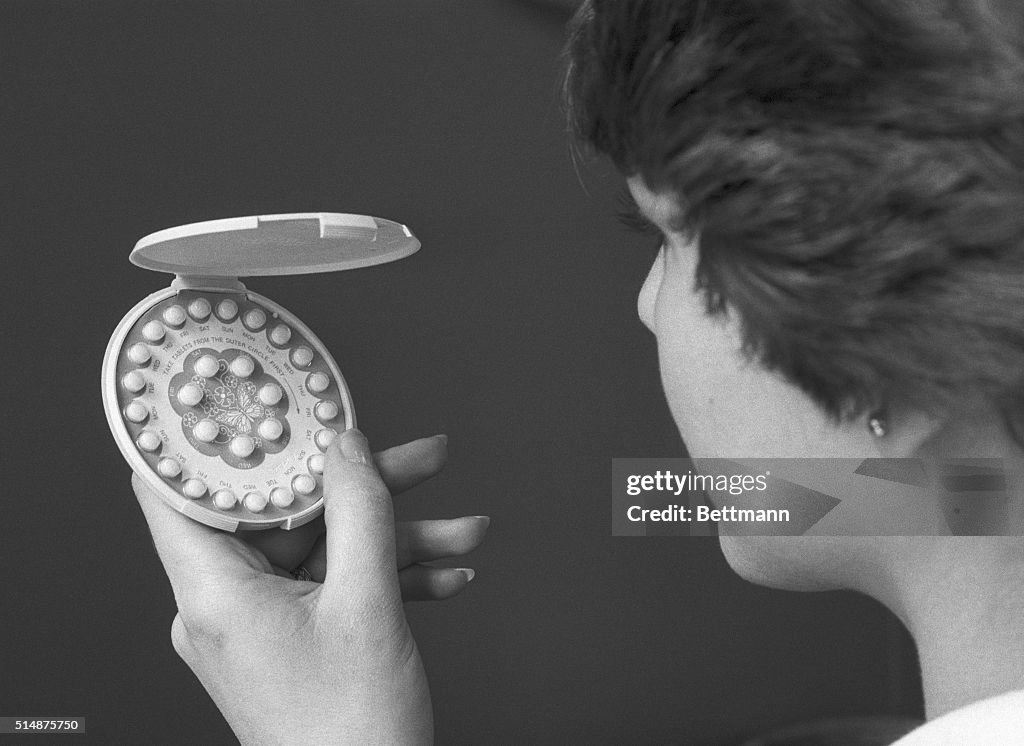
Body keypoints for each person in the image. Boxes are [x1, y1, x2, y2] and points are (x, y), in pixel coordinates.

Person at [133, 0, 1024, 742]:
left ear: (882, 342)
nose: (646, 304)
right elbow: (962, 496)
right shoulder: (961, 491)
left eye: (671, 239)